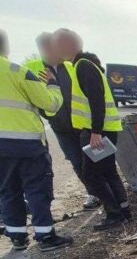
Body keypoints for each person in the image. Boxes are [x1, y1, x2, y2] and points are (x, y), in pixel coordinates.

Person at [0, 29, 73, 251]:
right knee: (36, 188)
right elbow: (49, 104)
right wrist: (52, 84)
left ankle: (18, 236)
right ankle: (45, 235)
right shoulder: (16, 71)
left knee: (7, 189)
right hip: (27, 143)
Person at [53, 29, 129, 230]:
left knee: (91, 175)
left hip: (98, 131)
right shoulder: (87, 65)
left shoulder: (83, 66)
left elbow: (96, 100)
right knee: (108, 171)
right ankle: (123, 209)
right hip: (105, 129)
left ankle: (114, 213)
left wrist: (95, 131)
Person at [25, 32, 100, 210]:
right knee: (76, 161)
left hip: (81, 124)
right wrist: (49, 115)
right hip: (60, 127)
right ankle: (93, 193)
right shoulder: (32, 69)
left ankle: (102, 192)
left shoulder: (71, 66)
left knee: (91, 160)